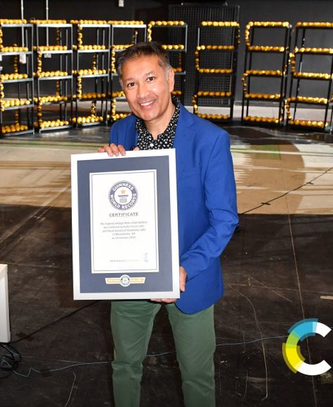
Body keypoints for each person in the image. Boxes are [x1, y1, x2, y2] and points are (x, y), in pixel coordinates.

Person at [97, 41, 238, 407]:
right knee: (124, 366)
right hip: (130, 277)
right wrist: (105, 173)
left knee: (197, 375)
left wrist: (184, 269)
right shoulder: (121, 134)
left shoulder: (209, 140)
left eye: (150, 78)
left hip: (190, 278)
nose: (142, 93)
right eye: (131, 84)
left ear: (170, 78)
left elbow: (224, 220)